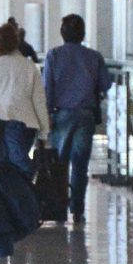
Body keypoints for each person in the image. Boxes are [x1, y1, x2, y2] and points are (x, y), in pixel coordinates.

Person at [42, 14, 109, 214]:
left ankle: (59, 206)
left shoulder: (53, 56)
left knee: (60, 164)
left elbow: (47, 89)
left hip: (61, 116)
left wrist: (47, 116)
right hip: (85, 116)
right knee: (80, 164)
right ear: (83, 34)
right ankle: (77, 208)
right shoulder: (94, 57)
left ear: (62, 34)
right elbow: (106, 84)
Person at [0, 20, 51, 148]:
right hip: (26, 127)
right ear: (16, 41)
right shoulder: (29, 67)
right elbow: (39, 101)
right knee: (18, 163)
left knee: (1, 163)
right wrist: (44, 133)